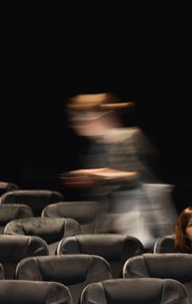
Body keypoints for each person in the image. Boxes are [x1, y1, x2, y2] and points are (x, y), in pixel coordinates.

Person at [61, 93, 168, 244]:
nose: (75, 124)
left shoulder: (128, 137)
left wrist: (102, 176)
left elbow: (139, 177)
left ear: (98, 116)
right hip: (112, 223)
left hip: (137, 221)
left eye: (80, 118)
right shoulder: (96, 146)